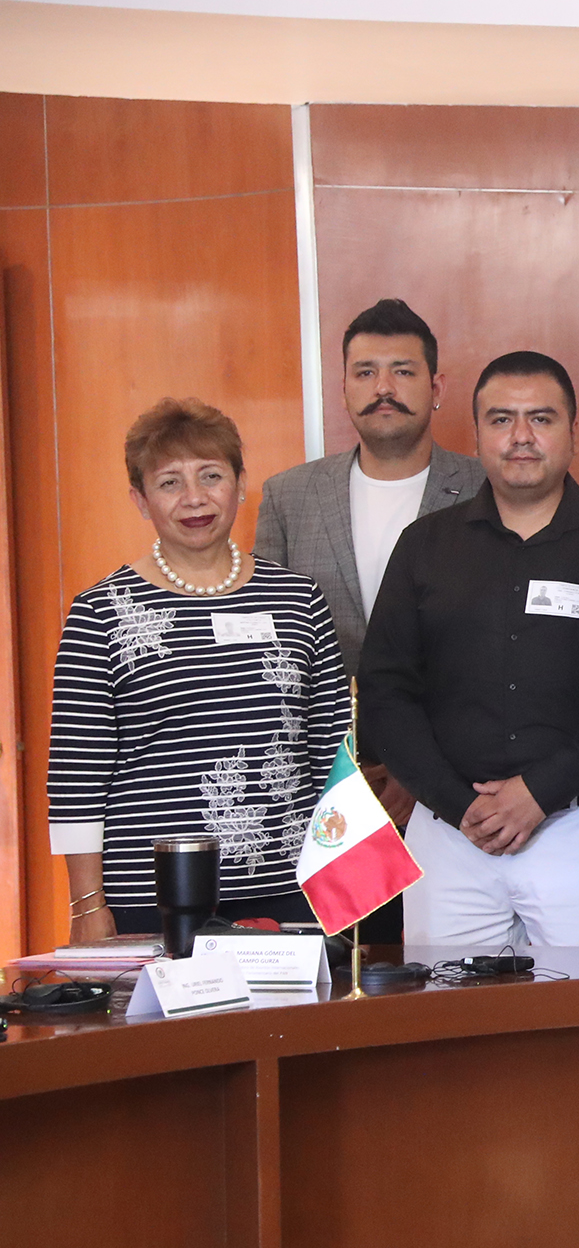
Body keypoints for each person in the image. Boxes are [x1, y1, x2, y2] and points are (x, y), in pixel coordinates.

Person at [359, 351, 579, 1248]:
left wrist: (540, 792)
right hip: (450, 835)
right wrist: (455, 800)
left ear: (572, 430)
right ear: (474, 431)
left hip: (576, 828)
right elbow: (386, 688)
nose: (522, 437)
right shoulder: (428, 546)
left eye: (541, 418)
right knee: (450, 1056)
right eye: (503, 418)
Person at [50, 399, 346, 942]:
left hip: (292, 886)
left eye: (211, 475)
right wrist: (87, 905)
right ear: (141, 500)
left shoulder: (298, 599)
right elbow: (77, 775)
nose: (194, 498)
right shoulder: (99, 612)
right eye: (170, 483)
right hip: (151, 896)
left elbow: (333, 750)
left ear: (239, 484)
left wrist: (345, 881)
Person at [257, 297, 484, 935]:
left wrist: (421, 771)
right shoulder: (288, 496)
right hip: (324, 780)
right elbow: (271, 649)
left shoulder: (485, 488)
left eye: (403, 371)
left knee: (447, 966)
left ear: (436, 388)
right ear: (344, 389)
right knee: (344, 961)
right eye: (365, 372)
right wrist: (336, 770)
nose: (384, 387)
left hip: (458, 780)